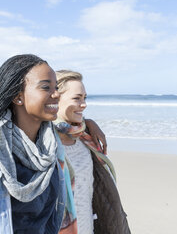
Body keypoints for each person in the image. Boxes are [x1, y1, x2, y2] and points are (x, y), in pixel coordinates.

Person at [0, 54, 105, 234]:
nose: (56, 94)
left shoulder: (50, 154)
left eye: (56, 87)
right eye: (46, 87)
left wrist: (89, 124)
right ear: (18, 97)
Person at [54, 70, 131, 234]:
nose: (84, 104)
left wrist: (88, 122)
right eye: (76, 98)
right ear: (55, 98)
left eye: (85, 98)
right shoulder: (41, 144)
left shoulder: (85, 138)